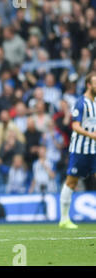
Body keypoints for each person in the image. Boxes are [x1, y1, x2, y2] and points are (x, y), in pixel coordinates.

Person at [59, 72, 96, 229]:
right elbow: (75, 126)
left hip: (94, 149)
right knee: (71, 181)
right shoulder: (81, 103)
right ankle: (64, 219)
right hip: (80, 148)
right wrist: (91, 135)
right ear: (89, 85)